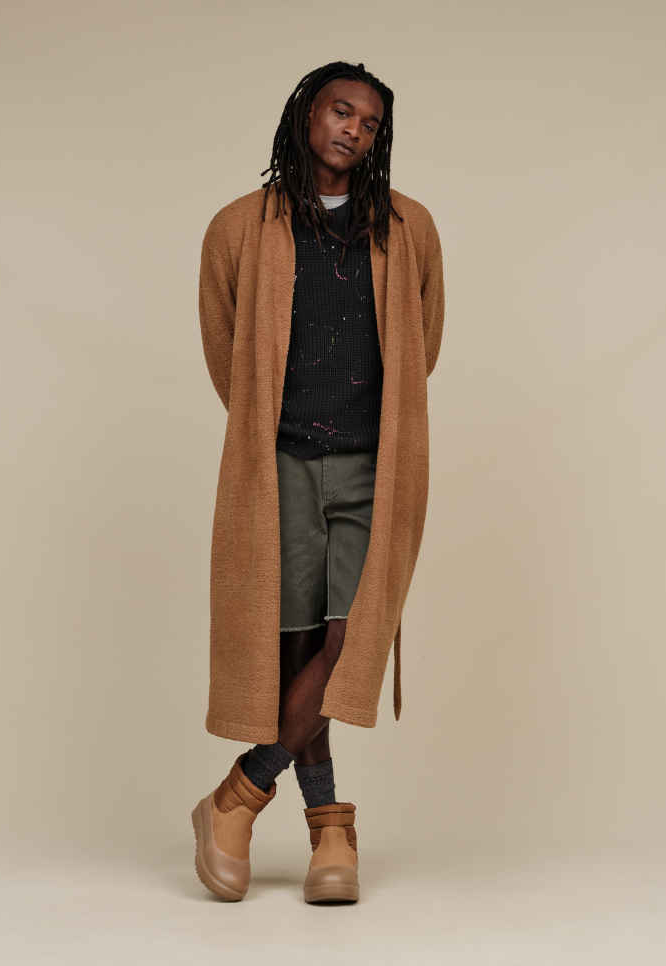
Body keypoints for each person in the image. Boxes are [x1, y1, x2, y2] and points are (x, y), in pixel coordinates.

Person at [192, 60, 445, 904]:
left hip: (376, 466)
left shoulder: (409, 228)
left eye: (370, 124)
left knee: (349, 640)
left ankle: (239, 794)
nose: (353, 131)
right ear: (306, 112)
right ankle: (329, 827)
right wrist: (278, 428)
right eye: (342, 111)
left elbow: (423, 344)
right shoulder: (237, 228)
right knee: (295, 647)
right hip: (281, 467)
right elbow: (228, 353)